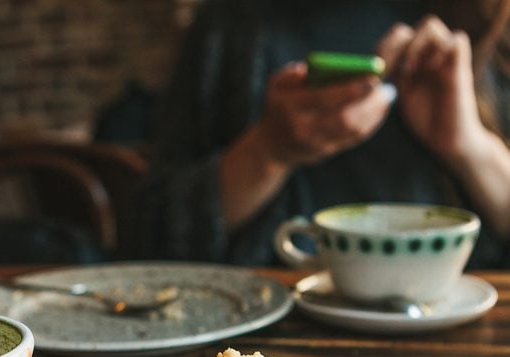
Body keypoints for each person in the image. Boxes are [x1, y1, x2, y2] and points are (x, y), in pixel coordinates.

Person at [132, 0, 510, 268]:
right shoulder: (231, 22)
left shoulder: (485, 19)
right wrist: (267, 153)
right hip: (269, 343)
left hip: (466, 336)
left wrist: (470, 146)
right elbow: (153, 239)